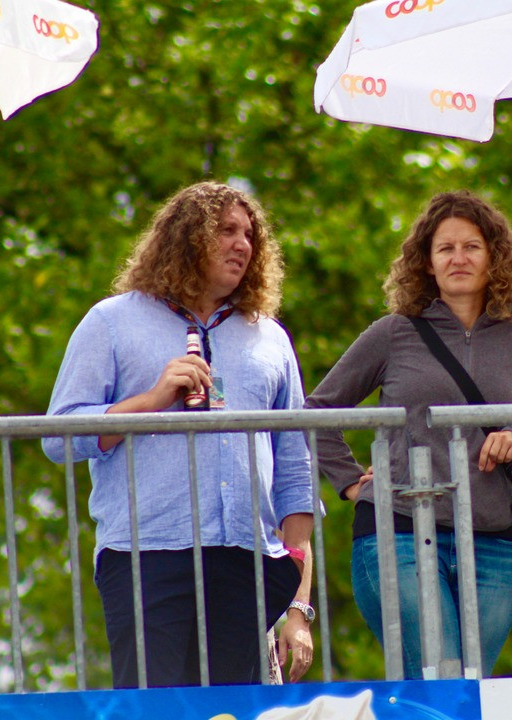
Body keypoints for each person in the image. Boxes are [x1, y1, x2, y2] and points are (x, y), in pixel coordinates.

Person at [42, 182, 315, 687]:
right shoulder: (111, 322)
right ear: (186, 238)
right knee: (153, 711)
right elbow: (58, 439)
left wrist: (300, 604)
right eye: (226, 230)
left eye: (249, 235)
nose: (242, 244)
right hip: (146, 557)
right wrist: (149, 402)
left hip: (247, 561)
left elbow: (296, 473)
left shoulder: (271, 337)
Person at [304, 190, 512, 679]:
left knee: (465, 688)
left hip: (496, 540)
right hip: (400, 531)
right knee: (437, 677)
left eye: (471, 246)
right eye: (445, 248)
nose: (458, 258)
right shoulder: (394, 331)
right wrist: (349, 482)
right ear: (426, 262)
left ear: (495, 255)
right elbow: (315, 412)